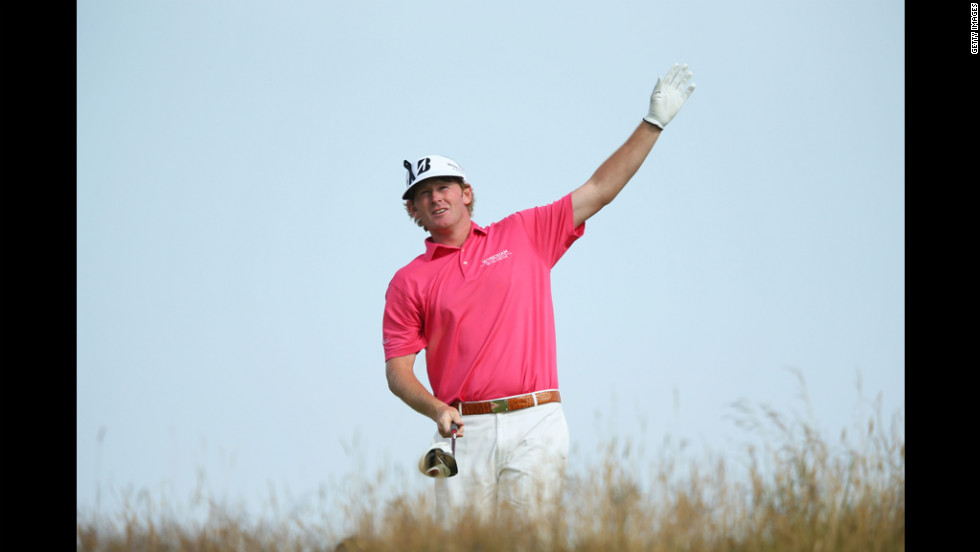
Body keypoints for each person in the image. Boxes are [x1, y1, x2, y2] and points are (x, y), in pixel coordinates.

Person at [382, 63, 696, 523]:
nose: (436, 198)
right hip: (463, 430)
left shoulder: (525, 233)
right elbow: (398, 372)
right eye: (423, 194)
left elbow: (600, 189)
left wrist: (652, 124)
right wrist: (436, 409)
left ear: (467, 193)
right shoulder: (408, 281)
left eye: (444, 187)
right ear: (413, 211)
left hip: (537, 419)